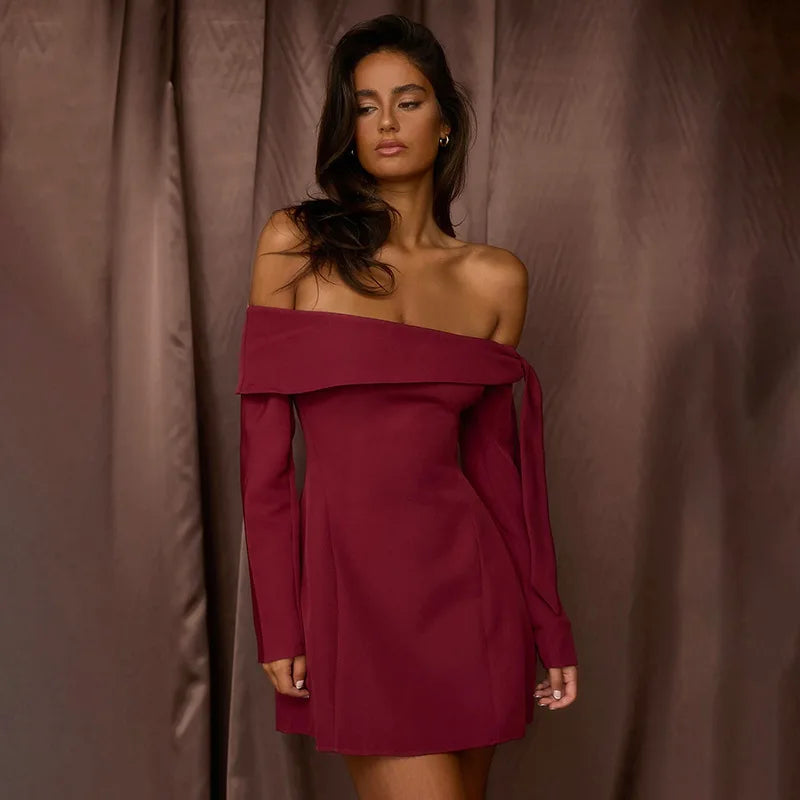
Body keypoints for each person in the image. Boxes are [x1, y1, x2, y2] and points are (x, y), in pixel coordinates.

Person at [236, 14, 578, 800]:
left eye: (408, 100)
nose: (386, 122)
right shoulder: (297, 244)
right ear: (345, 125)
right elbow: (264, 463)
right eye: (364, 105)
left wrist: (547, 624)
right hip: (355, 597)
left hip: (473, 596)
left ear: (447, 121)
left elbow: (501, 475)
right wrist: (281, 624)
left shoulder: (496, 279)